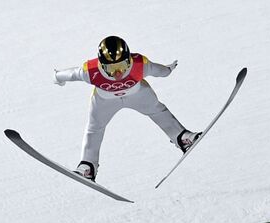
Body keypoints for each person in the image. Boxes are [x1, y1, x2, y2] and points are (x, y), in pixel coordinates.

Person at [54, 36, 199, 182]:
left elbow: (160, 71)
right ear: (102, 65)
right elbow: (73, 74)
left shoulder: (139, 64)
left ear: (129, 60)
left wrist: (169, 69)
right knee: (94, 128)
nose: (118, 73)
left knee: (158, 111)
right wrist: (58, 76)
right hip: (105, 101)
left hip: (137, 94)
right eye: (111, 68)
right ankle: (88, 166)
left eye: (122, 66)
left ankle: (182, 138)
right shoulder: (91, 71)